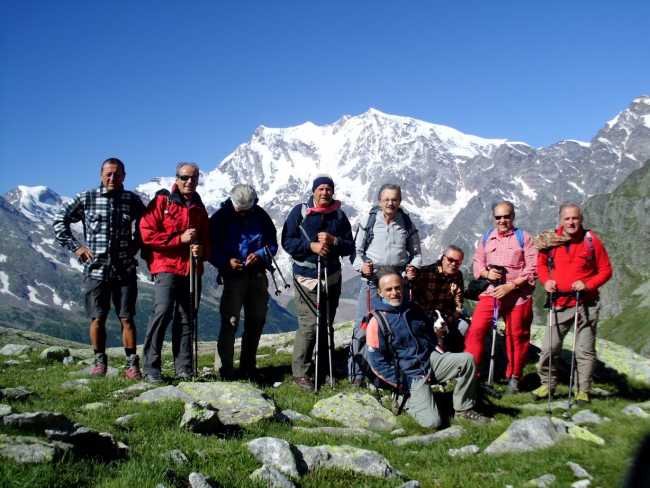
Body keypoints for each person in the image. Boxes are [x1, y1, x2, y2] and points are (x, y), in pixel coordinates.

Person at [53, 157, 145, 378]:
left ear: (124, 176)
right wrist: (76, 247)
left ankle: (132, 365)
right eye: (108, 174)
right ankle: (99, 362)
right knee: (97, 317)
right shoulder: (86, 198)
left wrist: (136, 243)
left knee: (127, 318)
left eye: (117, 174)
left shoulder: (131, 199)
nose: (112, 178)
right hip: (96, 269)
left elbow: (146, 224)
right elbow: (59, 221)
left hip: (124, 269)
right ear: (101, 175)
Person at [366, 272, 489, 428]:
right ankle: (403, 398)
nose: (394, 293)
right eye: (388, 289)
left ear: (403, 288)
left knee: (466, 360)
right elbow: (377, 363)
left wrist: (439, 352)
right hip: (409, 375)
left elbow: (429, 337)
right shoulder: (377, 322)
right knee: (433, 422)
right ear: (380, 292)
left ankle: (463, 410)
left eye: (397, 288)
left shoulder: (413, 309)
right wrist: (402, 383)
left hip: (429, 360)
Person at [532, 203, 612, 404]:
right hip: (559, 302)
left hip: (585, 304)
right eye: (567, 219)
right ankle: (547, 384)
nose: (571, 222)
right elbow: (541, 265)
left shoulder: (591, 241)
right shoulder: (550, 241)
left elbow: (606, 270)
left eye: (574, 218)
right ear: (561, 220)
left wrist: (588, 284)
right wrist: (546, 281)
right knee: (549, 348)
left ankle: (582, 390)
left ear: (581, 219)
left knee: (584, 350)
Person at [281, 175, 354, 390]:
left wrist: (334, 241)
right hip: (306, 278)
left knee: (326, 325)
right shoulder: (300, 212)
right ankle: (301, 372)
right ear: (314, 191)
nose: (324, 192)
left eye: (328, 189)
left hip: (331, 277)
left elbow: (349, 246)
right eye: (321, 188)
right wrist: (310, 246)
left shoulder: (339, 215)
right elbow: (287, 241)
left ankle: (324, 367)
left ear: (333, 192)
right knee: (310, 325)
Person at [139, 162, 209, 383]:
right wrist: (180, 239)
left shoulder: (199, 207)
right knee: (162, 312)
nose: (189, 182)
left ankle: (184, 368)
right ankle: (151, 367)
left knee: (187, 317)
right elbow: (147, 234)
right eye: (185, 177)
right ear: (177, 179)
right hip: (166, 266)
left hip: (191, 267)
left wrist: (201, 249)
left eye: (193, 178)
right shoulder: (162, 202)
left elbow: (207, 238)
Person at [348, 183, 422, 383]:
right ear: (379, 201)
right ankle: (357, 374)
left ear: (400, 201)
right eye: (387, 199)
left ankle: (393, 373)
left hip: (398, 283)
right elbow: (356, 252)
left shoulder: (406, 223)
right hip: (372, 281)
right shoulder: (369, 220)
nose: (391, 203)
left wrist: (413, 268)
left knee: (397, 326)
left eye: (394, 199)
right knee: (363, 326)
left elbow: (416, 254)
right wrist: (361, 267)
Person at [464, 201, 537, 393]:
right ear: (493, 218)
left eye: (506, 216)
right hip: (492, 292)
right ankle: (471, 375)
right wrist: (486, 274)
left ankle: (514, 376)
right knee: (476, 330)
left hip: (518, 295)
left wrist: (511, 285)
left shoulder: (524, 238)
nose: (502, 220)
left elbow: (532, 267)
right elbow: (478, 262)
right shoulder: (487, 237)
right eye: (498, 217)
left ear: (513, 216)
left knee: (517, 336)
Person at [208, 184, 278, 380]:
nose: (243, 213)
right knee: (230, 322)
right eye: (240, 210)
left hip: (257, 274)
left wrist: (260, 254)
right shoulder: (220, 218)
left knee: (256, 320)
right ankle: (225, 370)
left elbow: (272, 244)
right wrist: (226, 262)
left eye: (247, 209)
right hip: (232, 276)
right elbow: (211, 249)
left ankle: (248, 367)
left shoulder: (260, 215)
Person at [411, 245, 468, 352]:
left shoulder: (458, 276)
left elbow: (459, 305)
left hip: (446, 319)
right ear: (443, 258)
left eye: (458, 262)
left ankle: (453, 355)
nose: (453, 264)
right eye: (450, 260)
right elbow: (415, 300)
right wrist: (431, 321)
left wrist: (447, 321)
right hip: (425, 319)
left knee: (463, 326)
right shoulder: (425, 272)